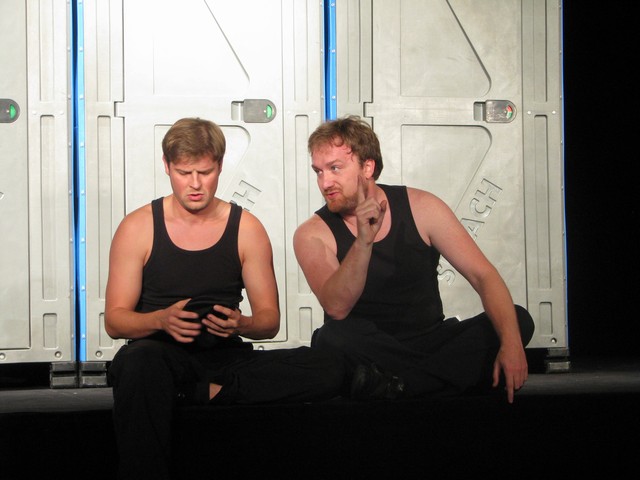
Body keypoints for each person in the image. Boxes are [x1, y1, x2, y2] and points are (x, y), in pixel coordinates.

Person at [105, 117, 345, 480]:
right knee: (138, 365)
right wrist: (159, 320)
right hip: (157, 356)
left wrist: (242, 324)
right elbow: (115, 320)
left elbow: (269, 321)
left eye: (205, 172)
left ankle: (198, 392)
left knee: (328, 367)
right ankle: (196, 393)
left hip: (224, 358)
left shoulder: (246, 228)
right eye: (184, 173)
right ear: (167, 167)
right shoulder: (138, 227)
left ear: (219, 166)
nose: (195, 184)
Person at [293, 115, 535, 405]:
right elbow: (336, 307)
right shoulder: (312, 233)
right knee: (332, 337)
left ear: (367, 167)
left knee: (517, 320)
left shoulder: (423, 207)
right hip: (367, 348)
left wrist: (511, 344)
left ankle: (400, 386)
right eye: (318, 171)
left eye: (335, 168)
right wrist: (363, 242)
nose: (325, 182)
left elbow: (484, 276)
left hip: (431, 342)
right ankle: (437, 382)